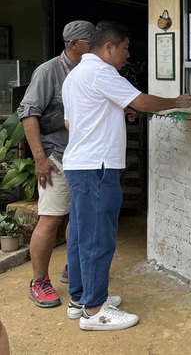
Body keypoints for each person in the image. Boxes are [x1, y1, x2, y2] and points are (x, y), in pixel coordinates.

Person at [62, 20, 191, 331]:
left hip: (80, 164)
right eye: (125, 48)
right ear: (108, 47)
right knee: (98, 238)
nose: (127, 55)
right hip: (98, 167)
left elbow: (72, 122)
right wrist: (177, 102)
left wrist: (115, 111)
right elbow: (142, 101)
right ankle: (95, 311)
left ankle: (80, 299)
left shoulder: (76, 75)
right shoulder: (102, 72)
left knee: (81, 235)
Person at [17, 20, 95, 308]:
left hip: (84, 157)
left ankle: (72, 268)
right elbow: (29, 115)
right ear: (73, 44)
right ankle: (38, 281)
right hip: (56, 157)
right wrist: (40, 159)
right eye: (90, 41)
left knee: (78, 217)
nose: (96, 45)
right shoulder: (48, 72)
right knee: (50, 218)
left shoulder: (90, 70)